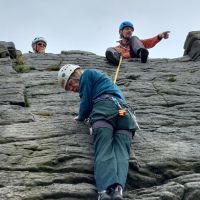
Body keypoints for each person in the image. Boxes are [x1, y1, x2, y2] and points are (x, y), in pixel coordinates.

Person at [58, 64, 139, 200]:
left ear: (75, 75)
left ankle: (105, 191)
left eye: (70, 85)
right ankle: (118, 190)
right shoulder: (102, 81)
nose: (72, 90)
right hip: (125, 114)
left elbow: (86, 102)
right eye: (69, 89)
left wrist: (81, 117)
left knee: (103, 148)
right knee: (122, 153)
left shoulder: (87, 74)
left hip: (104, 111)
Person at [106, 21, 170, 64]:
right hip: (127, 57)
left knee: (134, 38)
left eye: (131, 30)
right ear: (120, 32)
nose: (130, 31)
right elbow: (112, 51)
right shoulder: (117, 48)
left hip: (137, 55)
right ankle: (115, 61)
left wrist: (159, 36)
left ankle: (141, 52)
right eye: (127, 29)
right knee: (110, 49)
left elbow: (150, 42)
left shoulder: (136, 43)